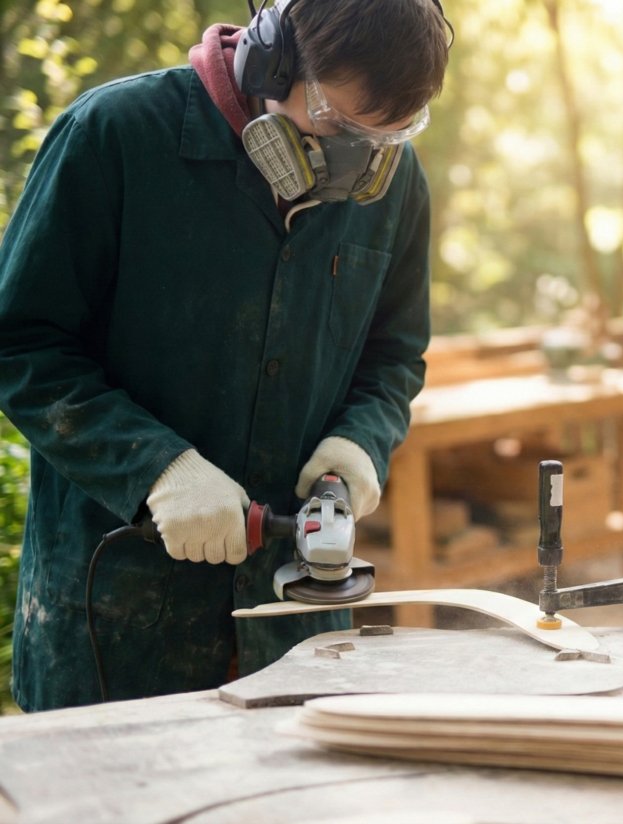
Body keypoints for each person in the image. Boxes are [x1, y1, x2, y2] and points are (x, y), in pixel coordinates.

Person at [0, 0, 451, 712]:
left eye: (386, 136)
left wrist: (359, 444)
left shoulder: (393, 183)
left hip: (294, 629)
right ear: (273, 60)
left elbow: (394, 355)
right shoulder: (114, 135)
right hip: (116, 625)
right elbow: (21, 343)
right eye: (337, 124)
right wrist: (154, 469)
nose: (355, 164)